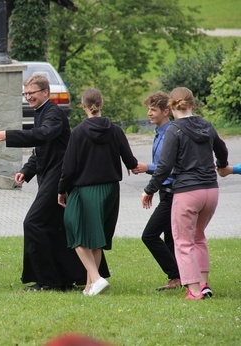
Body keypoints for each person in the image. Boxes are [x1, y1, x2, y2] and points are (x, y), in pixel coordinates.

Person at [0, 75, 105, 291]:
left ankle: (49, 281)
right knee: (58, 228)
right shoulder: (42, 113)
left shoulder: (54, 114)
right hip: (51, 176)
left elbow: (43, 135)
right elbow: (42, 148)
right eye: (25, 94)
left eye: (32, 93)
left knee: (33, 223)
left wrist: (8, 135)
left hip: (58, 178)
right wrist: (26, 171)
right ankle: (65, 279)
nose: (28, 97)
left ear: (45, 92)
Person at [141, 87, 228, 300]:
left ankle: (194, 290)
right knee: (199, 237)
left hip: (188, 192)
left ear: (171, 107)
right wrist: (223, 165)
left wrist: (148, 190)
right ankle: (205, 283)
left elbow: (164, 167)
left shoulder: (174, 130)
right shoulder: (205, 125)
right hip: (211, 191)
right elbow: (222, 148)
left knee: (184, 242)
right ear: (193, 104)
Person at [58, 88, 138, 296]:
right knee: (96, 238)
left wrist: (61, 190)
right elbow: (130, 161)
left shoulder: (78, 133)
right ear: (101, 103)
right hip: (111, 190)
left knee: (76, 233)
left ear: (83, 105)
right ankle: (89, 287)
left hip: (86, 190)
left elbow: (69, 168)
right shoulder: (116, 130)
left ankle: (97, 278)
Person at [132, 92, 181, 291]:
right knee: (170, 238)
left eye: (153, 110)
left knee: (149, 235)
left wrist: (148, 168)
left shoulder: (171, 133)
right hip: (165, 191)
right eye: (149, 109)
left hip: (173, 193)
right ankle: (177, 278)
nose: (149, 113)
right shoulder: (160, 132)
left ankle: (178, 275)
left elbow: (169, 167)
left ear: (166, 111)